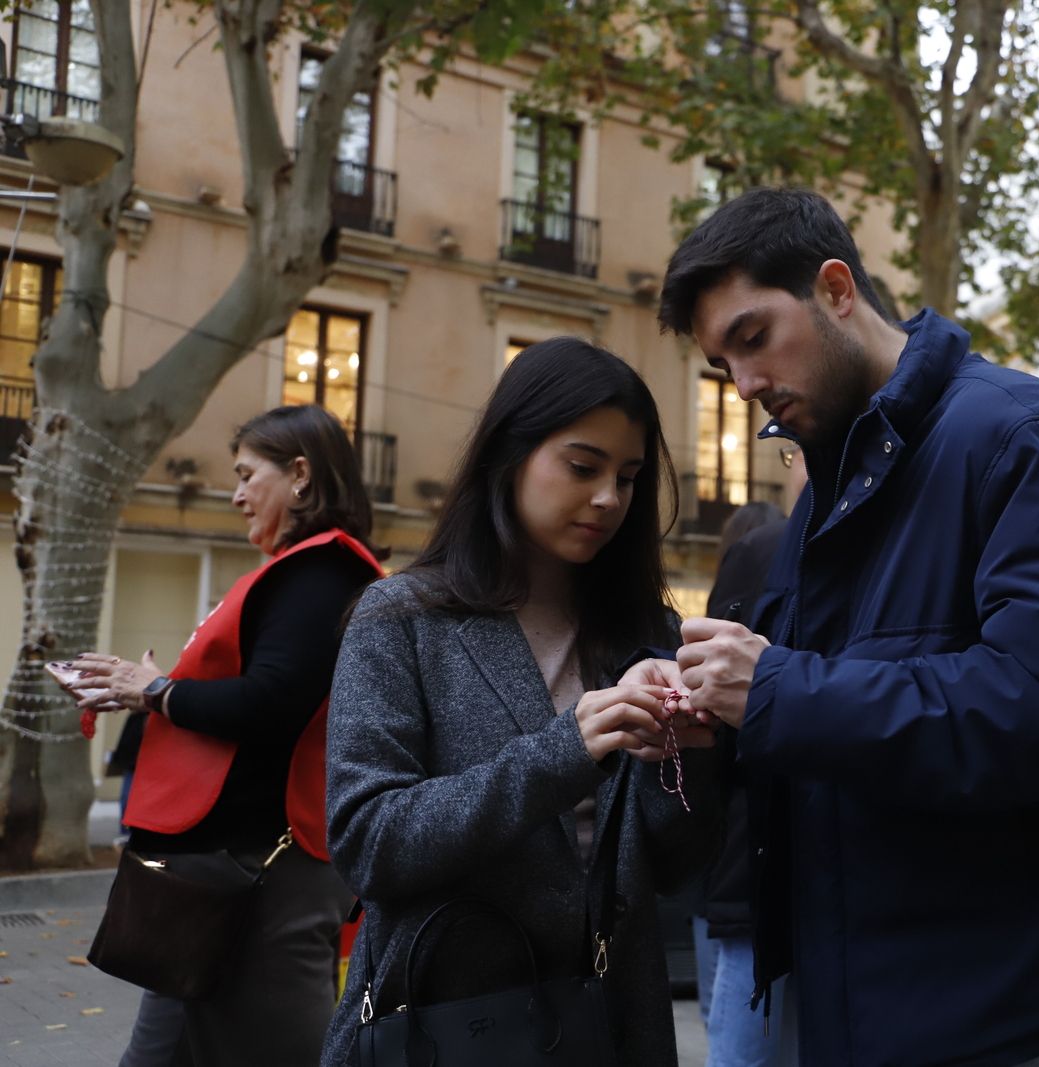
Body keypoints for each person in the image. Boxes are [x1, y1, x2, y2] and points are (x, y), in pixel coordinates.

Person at [661, 187, 1039, 1067]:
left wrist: (774, 689)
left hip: (1004, 1013)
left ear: (835, 289)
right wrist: (696, 706)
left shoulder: (1026, 436)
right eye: (723, 363)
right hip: (863, 1000)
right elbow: (822, 716)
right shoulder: (828, 485)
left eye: (753, 337)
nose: (745, 387)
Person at [320, 337, 721, 1067]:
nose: (609, 498)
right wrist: (565, 751)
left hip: (611, 1025)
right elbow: (367, 843)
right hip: (442, 1022)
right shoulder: (402, 618)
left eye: (628, 477)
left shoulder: (647, 633)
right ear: (510, 455)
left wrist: (688, 755)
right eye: (582, 466)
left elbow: (671, 867)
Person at [67, 404, 386, 1066]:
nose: (235, 494)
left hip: (261, 874)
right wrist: (153, 688)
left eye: (246, 475)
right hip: (229, 874)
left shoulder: (321, 574)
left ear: (301, 475)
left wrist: (154, 691)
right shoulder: (305, 572)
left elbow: (270, 703)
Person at [693, 447, 809, 1067]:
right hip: (760, 857)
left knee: (746, 1046)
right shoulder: (768, 551)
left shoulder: (763, 550)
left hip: (756, 853)